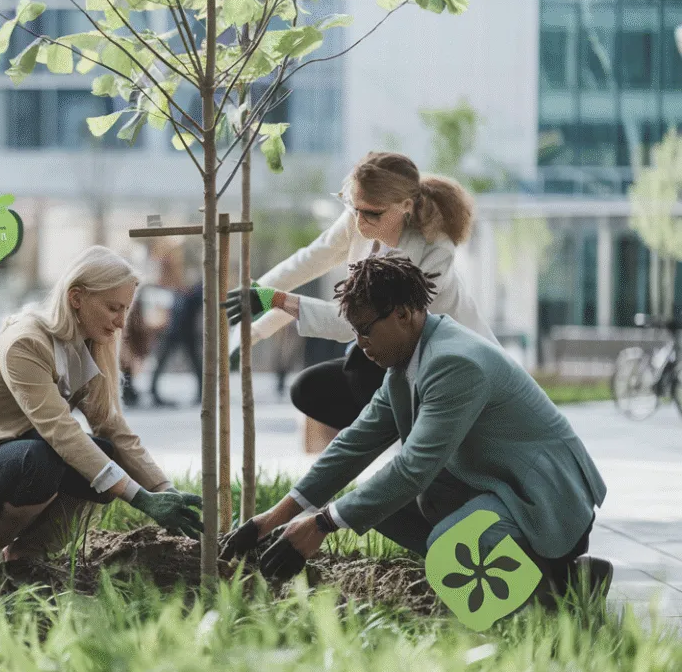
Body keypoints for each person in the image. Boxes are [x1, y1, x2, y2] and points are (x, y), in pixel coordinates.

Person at [222, 254, 611, 606]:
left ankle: (553, 596)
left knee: (445, 544)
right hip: (497, 487)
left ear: (404, 314)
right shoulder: (406, 364)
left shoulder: (454, 363)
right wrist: (268, 520)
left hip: (544, 503)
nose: (360, 344)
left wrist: (322, 524)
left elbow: (413, 469)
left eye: (365, 329)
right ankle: (557, 577)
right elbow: (353, 446)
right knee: (378, 506)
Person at [0, 246, 203, 560]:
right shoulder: (26, 342)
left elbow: (112, 427)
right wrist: (138, 497)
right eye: (113, 308)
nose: (120, 322)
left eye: (126, 310)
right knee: (41, 461)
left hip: (14, 453)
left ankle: (29, 556)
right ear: (76, 298)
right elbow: (60, 431)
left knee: (102, 452)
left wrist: (163, 490)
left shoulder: (89, 345)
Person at [224, 151, 497, 455]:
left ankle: (408, 453)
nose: (359, 220)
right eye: (353, 208)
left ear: (405, 206)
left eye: (372, 213)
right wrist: (256, 302)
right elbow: (311, 259)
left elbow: (362, 320)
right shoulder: (358, 219)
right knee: (310, 389)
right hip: (394, 358)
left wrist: (273, 301)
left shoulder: (434, 250)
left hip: (452, 366)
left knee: (366, 376)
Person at [149, 281, 203, 407]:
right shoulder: (182, 295)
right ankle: (153, 391)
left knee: (196, 364)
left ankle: (202, 393)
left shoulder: (192, 295)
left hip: (183, 333)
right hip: (177, 333)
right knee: (163, 362)